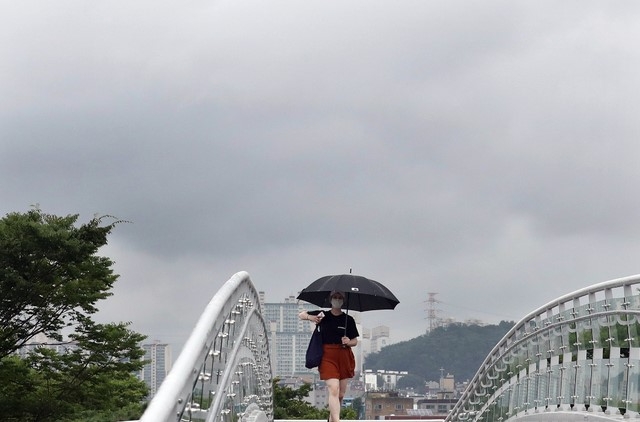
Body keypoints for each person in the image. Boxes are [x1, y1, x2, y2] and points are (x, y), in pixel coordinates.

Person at [299, 291, 359, 422]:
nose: (337, 300)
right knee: (333, 388)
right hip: (327, 355)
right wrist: (312, 318)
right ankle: (337, 420)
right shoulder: (323, 315)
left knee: (341, 394)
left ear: (344, 300)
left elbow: (355, 341)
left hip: (344, 355)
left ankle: (331, 419)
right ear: (330, 299)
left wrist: (348, 341)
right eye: (335, 297)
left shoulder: (348, 319)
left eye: (340, 297)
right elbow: (302, 314)